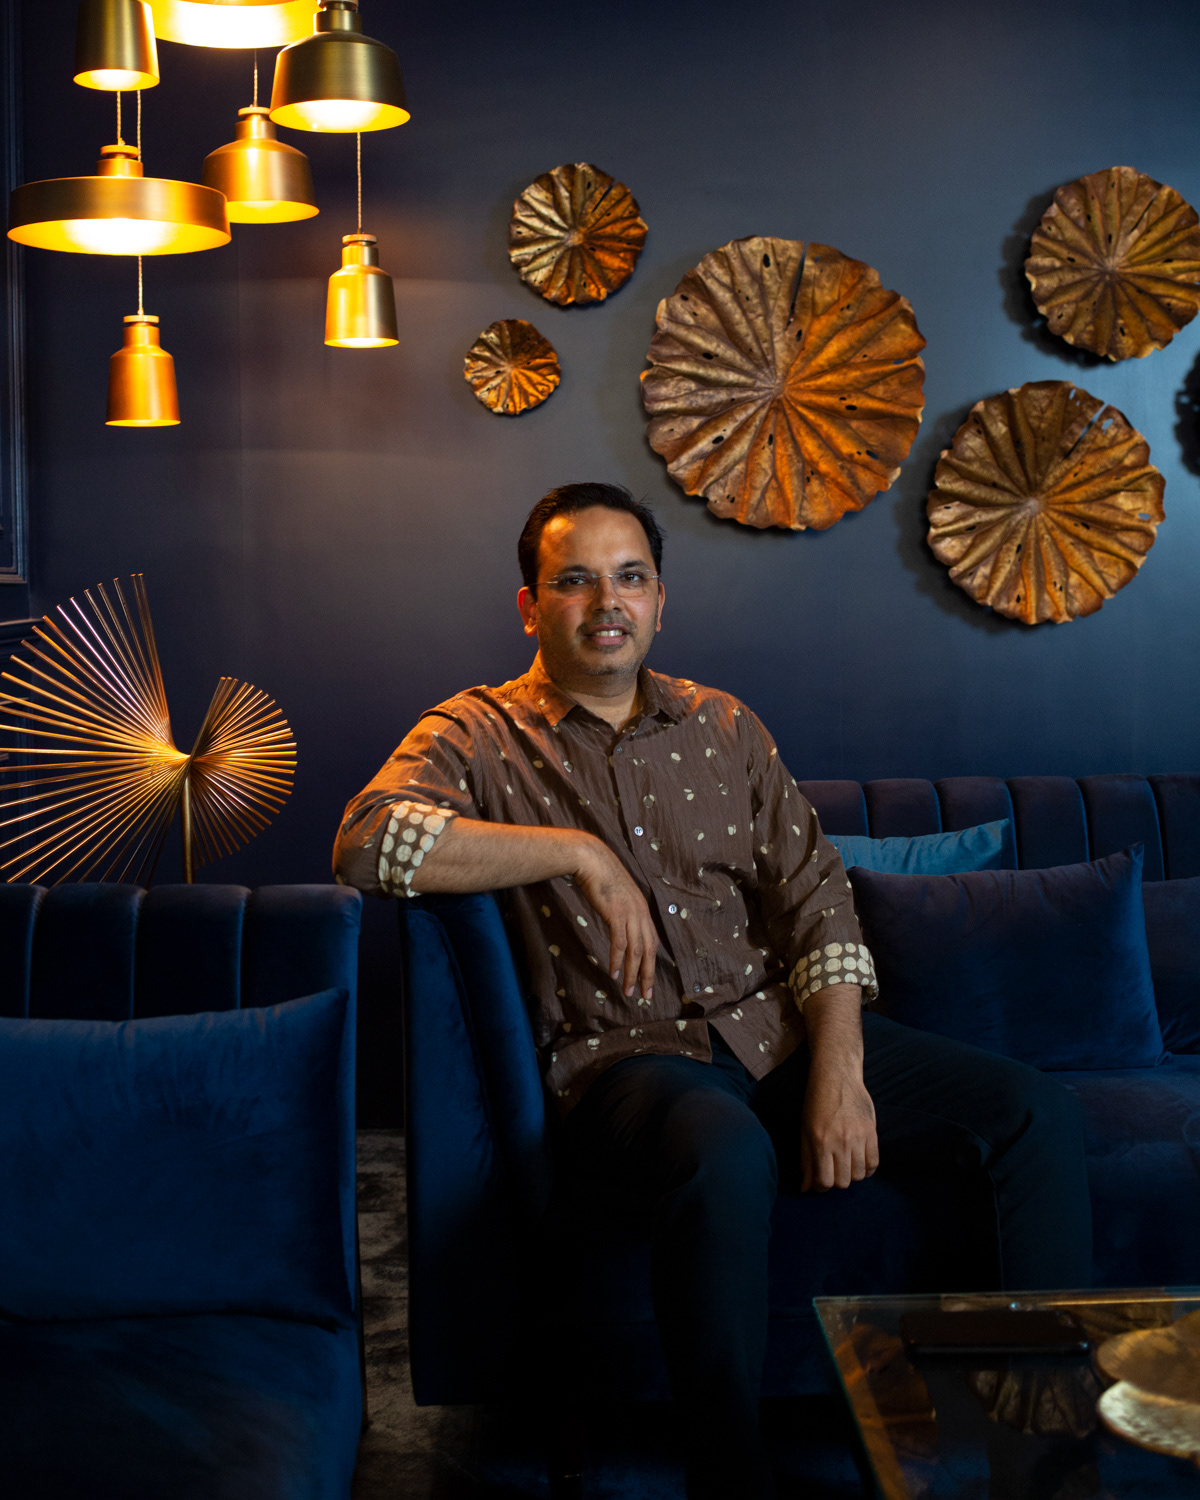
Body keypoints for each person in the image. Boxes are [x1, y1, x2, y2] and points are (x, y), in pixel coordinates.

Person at [334, 482, 1092, 1499]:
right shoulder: (477, 733)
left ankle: (1037, 1451)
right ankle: (731, 1481)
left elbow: (818, 900)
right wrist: (576, 854)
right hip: (628, 1064)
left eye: (630, 578)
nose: (607, 602)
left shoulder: (724, 725)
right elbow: (365, 842)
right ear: (530, 606)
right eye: (575, 580)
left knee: (1035, 1112)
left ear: (660, 600)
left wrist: (840, 1071)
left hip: (775, 1033)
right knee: (725, 1153)